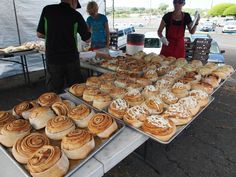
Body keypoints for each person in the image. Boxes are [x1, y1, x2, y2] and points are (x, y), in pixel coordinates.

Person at [37, 0, 91, 93]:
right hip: (71, 58)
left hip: (53, 57)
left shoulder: (47, 10)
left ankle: (53, 106)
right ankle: (76, 106)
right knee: (76, 89)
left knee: (54, 91)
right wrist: (90, 30)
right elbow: (87, 39)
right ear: (73, 1)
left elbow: (39, 34)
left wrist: (53, 35)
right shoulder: (75, 14)